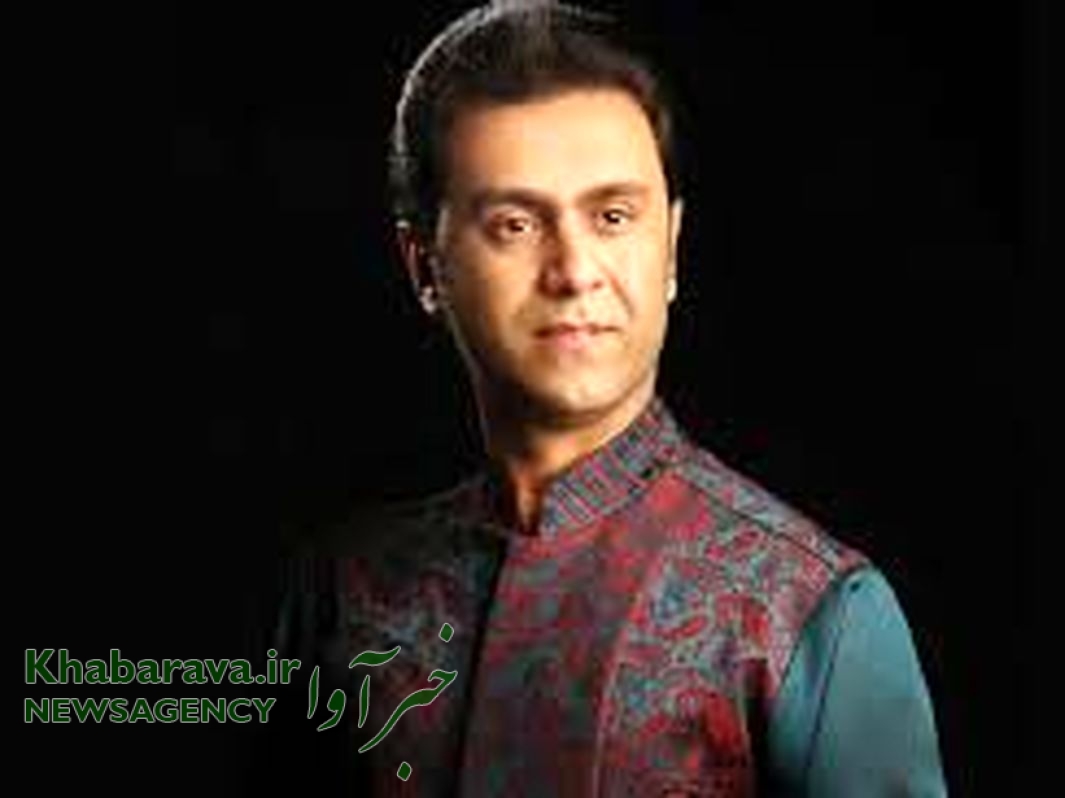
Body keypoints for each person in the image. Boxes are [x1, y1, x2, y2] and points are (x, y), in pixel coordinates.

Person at [267, 2, 948, 795]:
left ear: (671, 248)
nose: (575, 271)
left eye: (613, 216)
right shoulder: (345, 590)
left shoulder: (806, 609)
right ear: (425, 265)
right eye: (515, 224)